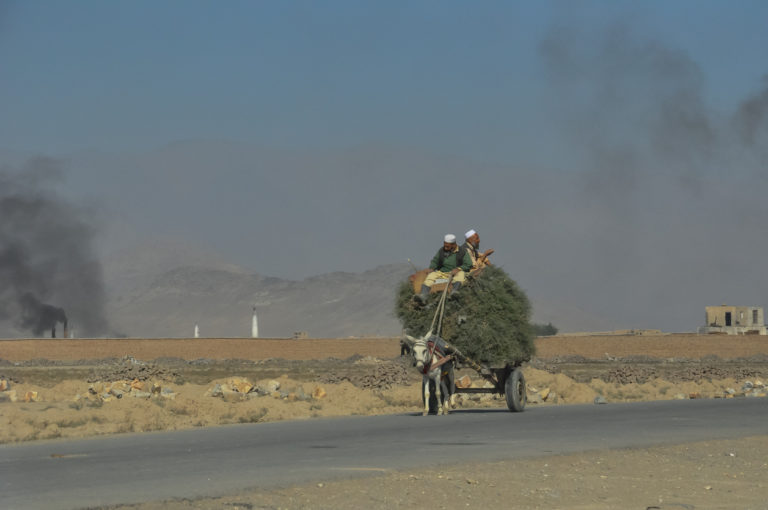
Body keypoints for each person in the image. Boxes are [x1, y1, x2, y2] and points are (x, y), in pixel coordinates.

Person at [414, 234, 473, 305]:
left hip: (455, 274)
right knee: (432, 275)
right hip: (443, 273)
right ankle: (423, 296)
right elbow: (435, 261)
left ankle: (454, 292)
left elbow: (469, 264)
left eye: (447, 246)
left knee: (461, 274)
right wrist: (432, 268)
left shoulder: (462, 252)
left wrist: (458, 269)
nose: (445, 247)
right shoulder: (442, 251)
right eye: (444, 245)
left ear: (453, 245)